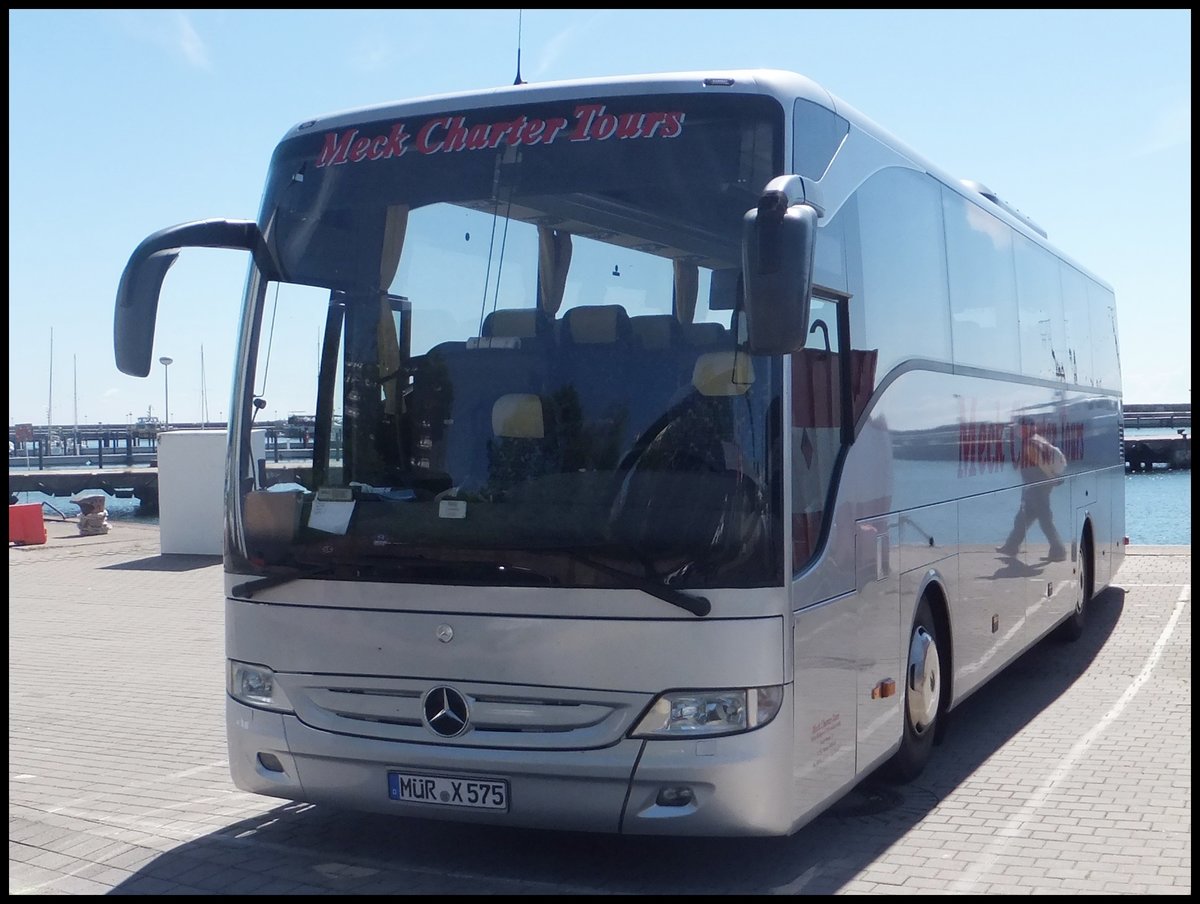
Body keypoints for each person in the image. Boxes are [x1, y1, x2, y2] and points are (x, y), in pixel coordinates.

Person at [998, 430, 1067, 561]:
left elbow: (1042, 463)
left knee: (1045, 520)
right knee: (1023, 518)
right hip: (1039, 485)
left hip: (1037, 486)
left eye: (1018, 428)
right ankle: (1011, 546)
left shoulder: (1030, 444)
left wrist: (1051, 478)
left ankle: (1059, 551)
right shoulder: (1039, 439)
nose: (1016, 433)